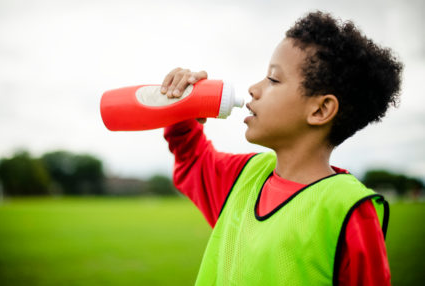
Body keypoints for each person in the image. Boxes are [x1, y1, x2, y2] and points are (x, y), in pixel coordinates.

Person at [160, 11, 402, 286]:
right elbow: (192, 158)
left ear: (321, 109)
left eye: (273, 80)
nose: (253, 89)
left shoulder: (348, 210)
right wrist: (182, 107)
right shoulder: (243, 177)